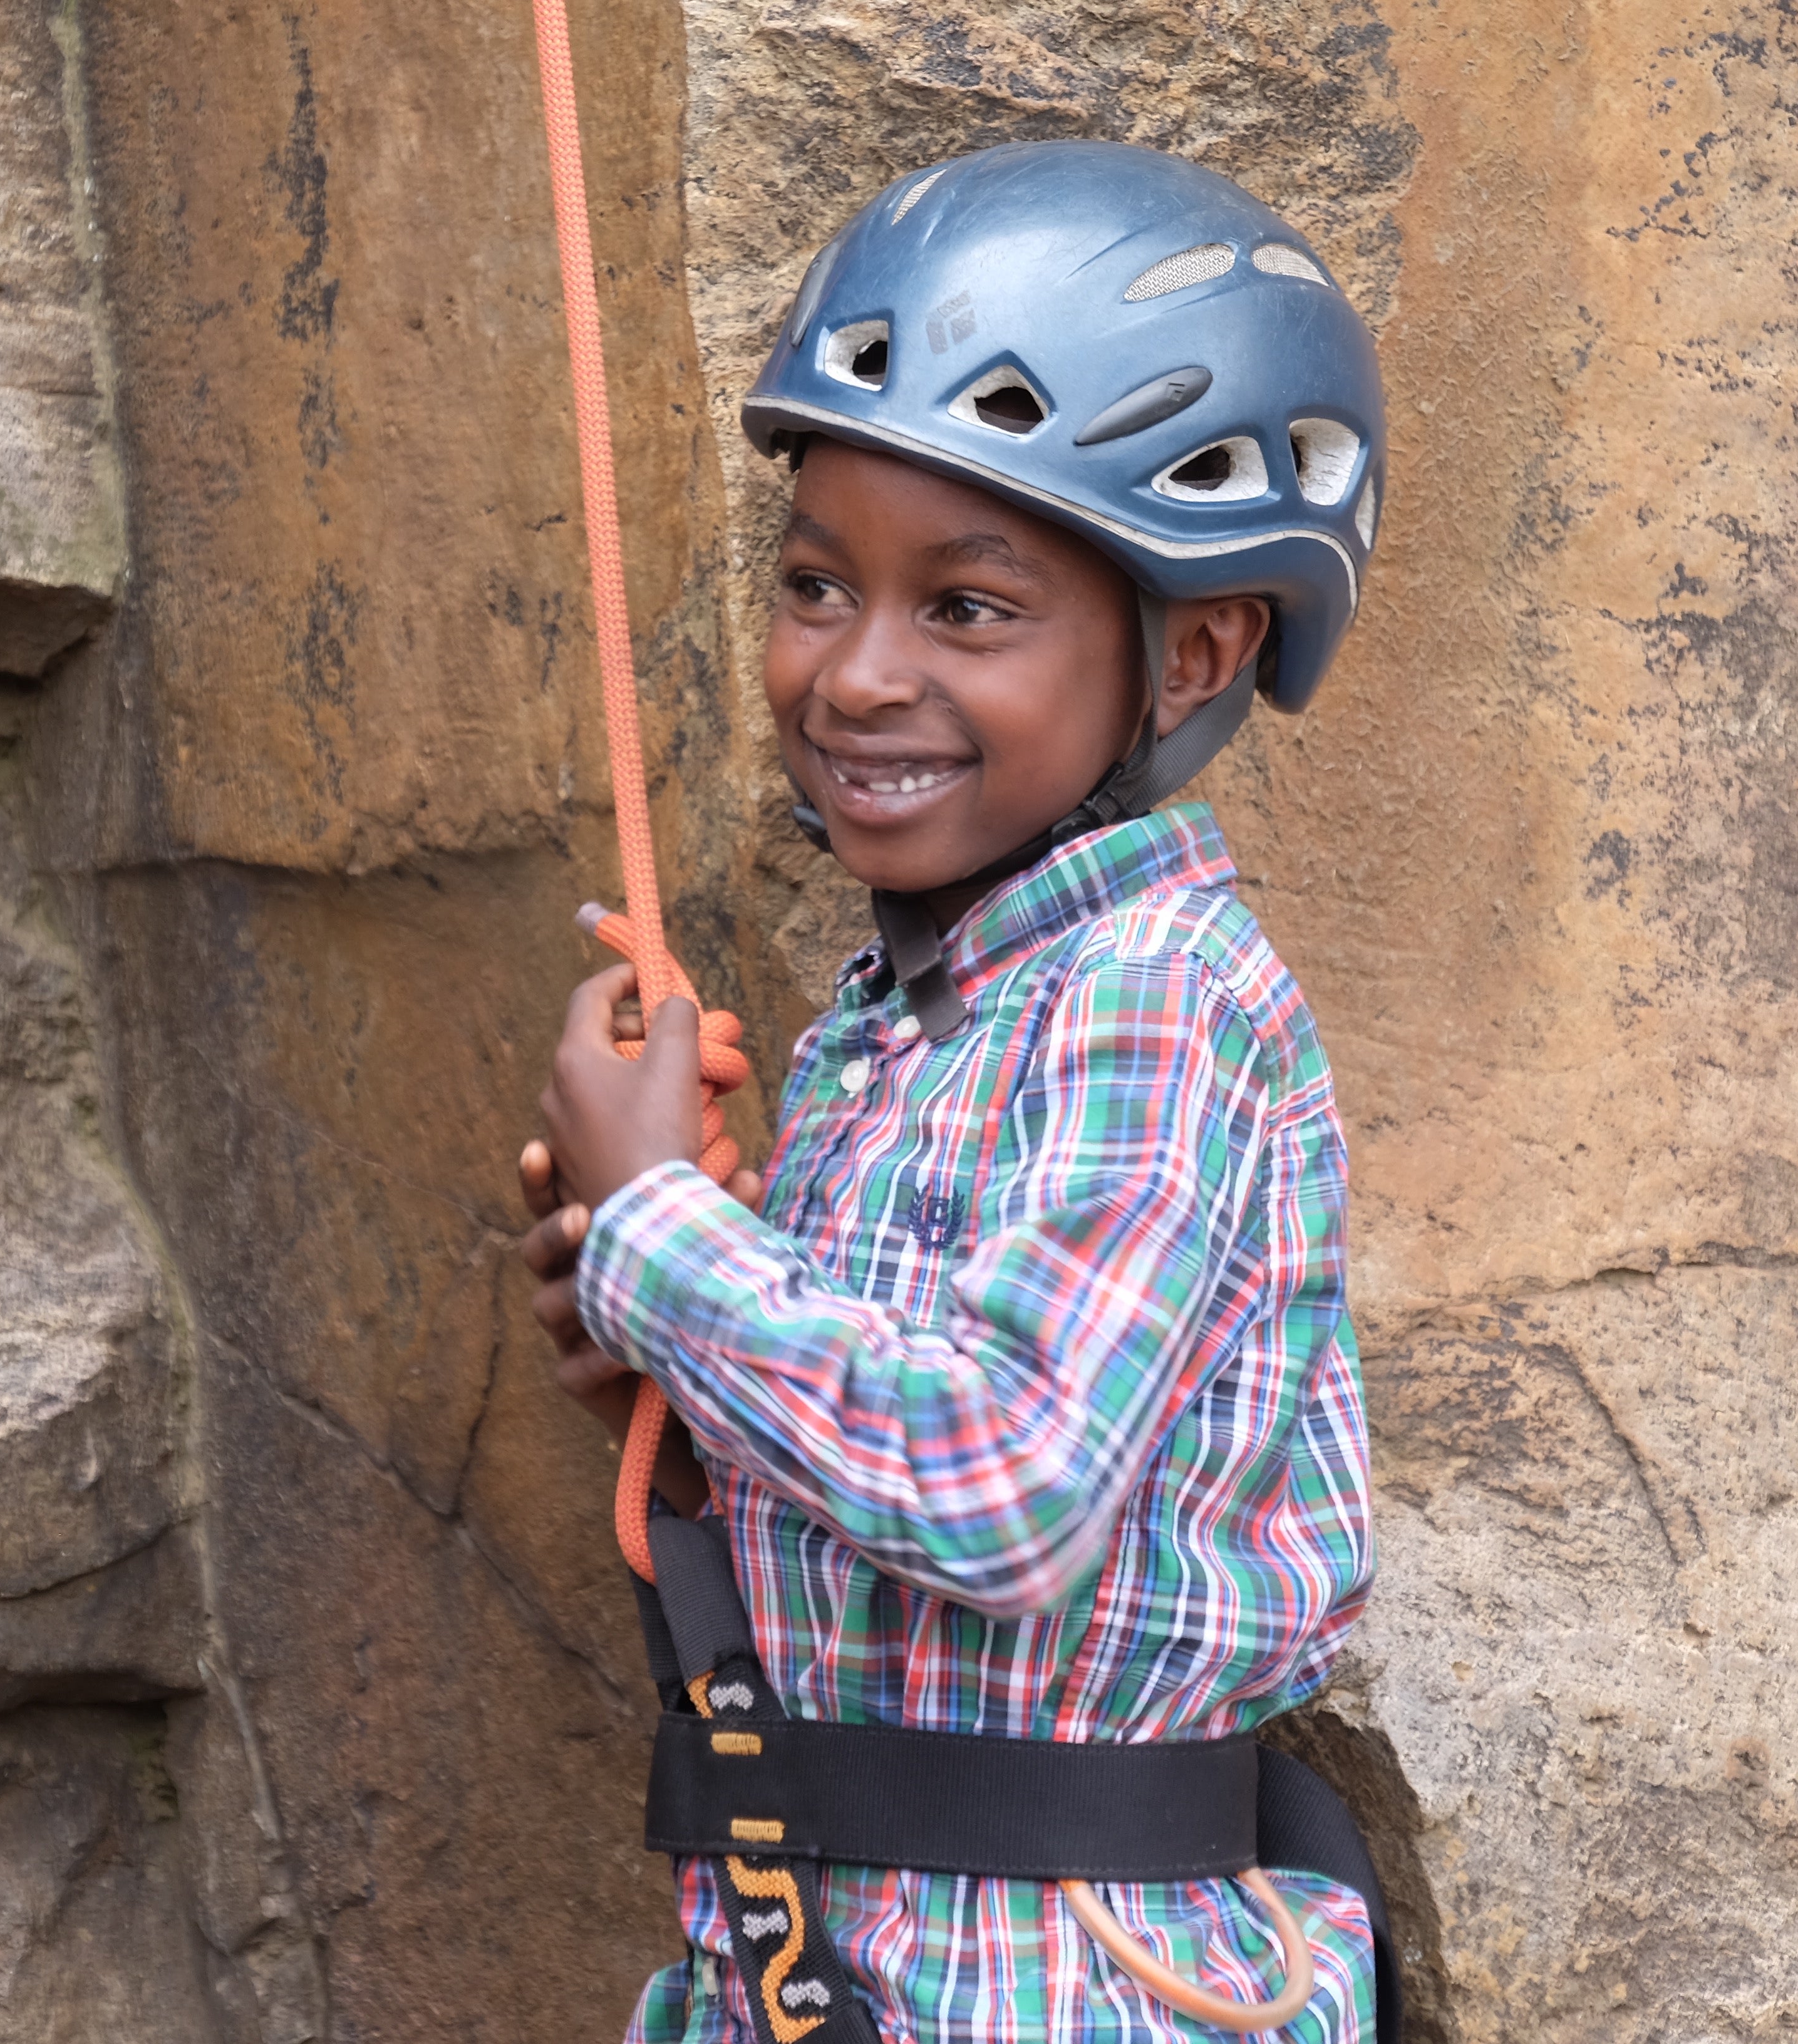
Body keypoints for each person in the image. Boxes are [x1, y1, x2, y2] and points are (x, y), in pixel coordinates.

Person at [520, 138, 1387, 2044]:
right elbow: (894, 1493)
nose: (853, 675)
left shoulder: (1159, 1002)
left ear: (1201, 651)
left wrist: (665, 1236)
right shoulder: (910, 1023)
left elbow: (1001, 1494)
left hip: (1071, 1992)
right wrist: (671, 1361)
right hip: (830, 1964)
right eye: (819, 585)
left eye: (969, 609)